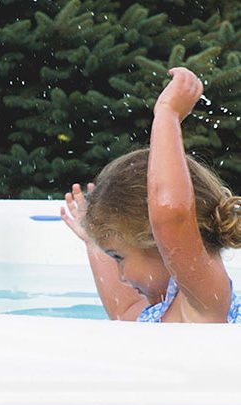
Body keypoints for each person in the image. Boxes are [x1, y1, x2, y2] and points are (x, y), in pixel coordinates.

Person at [61, 67, 241, 323]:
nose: (120, 275)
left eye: (118, 258)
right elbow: (123, 312)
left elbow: (171, 214)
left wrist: (167, 114)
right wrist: (94, 243)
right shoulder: (165, 309)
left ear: (156, 240)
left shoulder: (205, 298)